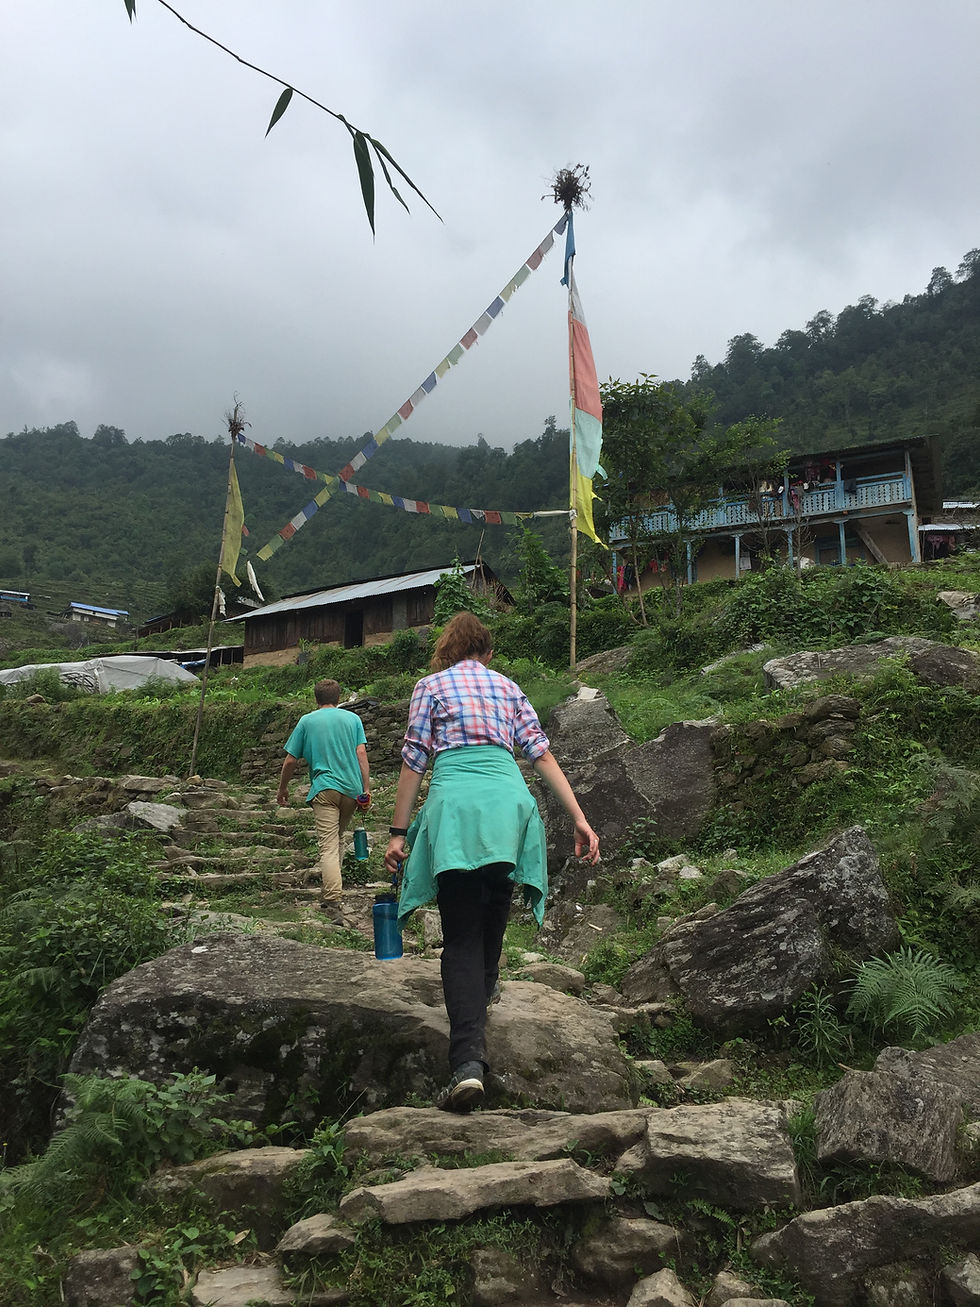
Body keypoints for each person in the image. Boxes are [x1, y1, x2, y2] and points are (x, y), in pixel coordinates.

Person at [384, 612, 599, 1113]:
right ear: (486, 652)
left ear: (448, 650)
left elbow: (415, 759)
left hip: (457, 806)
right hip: (508, 806)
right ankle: (479, 1010)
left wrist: (398, 834)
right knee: (492, 916)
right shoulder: (508, 687)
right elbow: (540, 755)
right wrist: (580, 819)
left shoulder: (430, 686)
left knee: (460, 934)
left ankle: (467, 1064)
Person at [277, 678, 371, 924]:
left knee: (328, 845)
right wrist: (366, 789)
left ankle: (332, 900)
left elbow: (289, 761)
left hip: (325, 789)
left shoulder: (307, 721)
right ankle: (332, 890)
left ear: (316, 699)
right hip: (351, 790)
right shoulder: (353, 719)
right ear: (338, 698)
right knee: (337, 840)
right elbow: (361, 753)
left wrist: (283, 788)